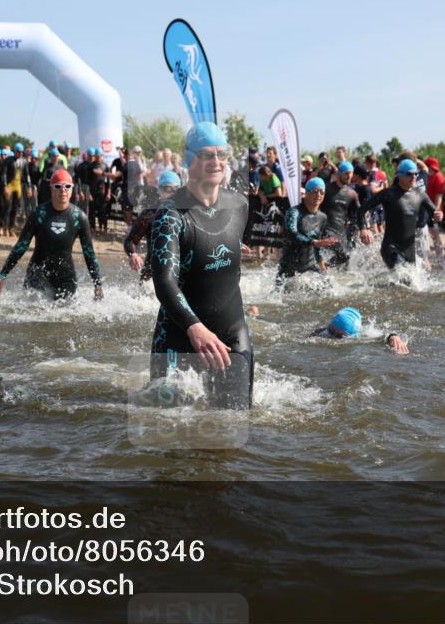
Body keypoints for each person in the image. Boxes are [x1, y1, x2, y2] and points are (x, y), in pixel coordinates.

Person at [148, 122, 253, 410]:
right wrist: (195, 327)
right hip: (179, 336)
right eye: (206, 155)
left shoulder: (239, 205)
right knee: (167, 429)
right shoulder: (170, 215)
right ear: (188, 159)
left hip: (232, 333)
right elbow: (164, 282)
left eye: (222, 154)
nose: (216, 162)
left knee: (237, 422)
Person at [0, 168, 103, 301]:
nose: (63, 190)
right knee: (31, 310)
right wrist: (2, 275)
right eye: (58, 186)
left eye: (67, 186)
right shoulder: (38, 214)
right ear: (51, 189)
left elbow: (89, 253)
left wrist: (97, 284)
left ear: (72, 189)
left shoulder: (80, 218)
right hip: (38, 273)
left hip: (65, 276)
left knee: (67, 312)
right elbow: (21, 246)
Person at [358, 159, 442, 270]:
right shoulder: (388, 194)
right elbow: (361, 210)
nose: (414, 177)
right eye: (409, 174)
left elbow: (435, 213)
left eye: (416, 174)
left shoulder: (420, 195)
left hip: (409, 250)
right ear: (400, 175)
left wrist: (438, 215)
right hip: (390, 248)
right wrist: (363, 229)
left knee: (410, 279)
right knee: (401, 273)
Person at [275, 177, 339, 289]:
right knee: (279, 295)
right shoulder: (294, 212)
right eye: (315, 191)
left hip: (310, 266)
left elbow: (317, 245)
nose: (318, 194)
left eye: (322, 192)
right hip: (289, 267)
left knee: (330, 289)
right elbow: (292, 234)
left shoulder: (322, 217)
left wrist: (321, 264)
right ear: (307, 193)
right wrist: (314, 242)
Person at [124, 170, 179, 281]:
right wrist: (133, 254)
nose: (173, 193)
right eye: (168, 189)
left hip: (178, 271)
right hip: (152, 273)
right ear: (160, 191)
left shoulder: (186, 214)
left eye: (176, 189)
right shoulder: (149, 214)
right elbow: (130, 241)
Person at [309, 307, 409, 354]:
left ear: (352, 335)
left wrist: (393, 336)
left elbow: (382, 336)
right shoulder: (321, 332)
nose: (332, 336)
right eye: (331, 331)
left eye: (339, 336)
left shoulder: (362, 336)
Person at [320, 160, 361, 268]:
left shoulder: (352, 194)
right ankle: (322, 267)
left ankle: (323, 269)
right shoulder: (327, 189)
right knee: (344, 255)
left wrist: (363, 228)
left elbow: (359, 213)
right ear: (339, 174)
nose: (349, 176)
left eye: (351, 173)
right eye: (346, 173)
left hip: (341, 232)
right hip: (326, 230)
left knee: (345, 264)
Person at [423, 157, 445, 265]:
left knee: (435, 235)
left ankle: (440, 260)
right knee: (425, 234)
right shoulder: (424, 175)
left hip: (432, 209)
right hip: (423, 209)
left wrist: (435, 210)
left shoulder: (438, 177)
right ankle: (426, 259)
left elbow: (439, 196)